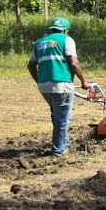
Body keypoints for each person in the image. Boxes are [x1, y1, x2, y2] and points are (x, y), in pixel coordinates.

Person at [27, 17, 89, 157]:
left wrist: (39, 81)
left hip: (44, 86)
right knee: (62, 118)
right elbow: (73, 63)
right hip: (61, 84)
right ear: (66, 30)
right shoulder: (67, 40)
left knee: (57, 115)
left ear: (52, 29)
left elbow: (31, 65)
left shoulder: (40, 42)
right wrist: (84, 82)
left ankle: (63, 144)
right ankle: (58, 150)